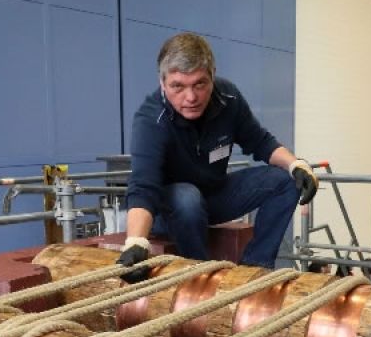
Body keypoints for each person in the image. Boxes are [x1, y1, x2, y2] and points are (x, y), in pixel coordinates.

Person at [117, 32, 318, 281]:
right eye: (178, 86)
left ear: (212, 76)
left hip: (214, 196)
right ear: (163, 83)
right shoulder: (150, 121)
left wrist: (296, 165)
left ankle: (255, 269)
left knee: (286, 180)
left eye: (199, 84)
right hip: (169, 212)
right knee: (186, 197)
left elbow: (261, 142)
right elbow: (143, 187)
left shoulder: (228, 98)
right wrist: (136, 241)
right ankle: (201, 274)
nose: (190, 98)